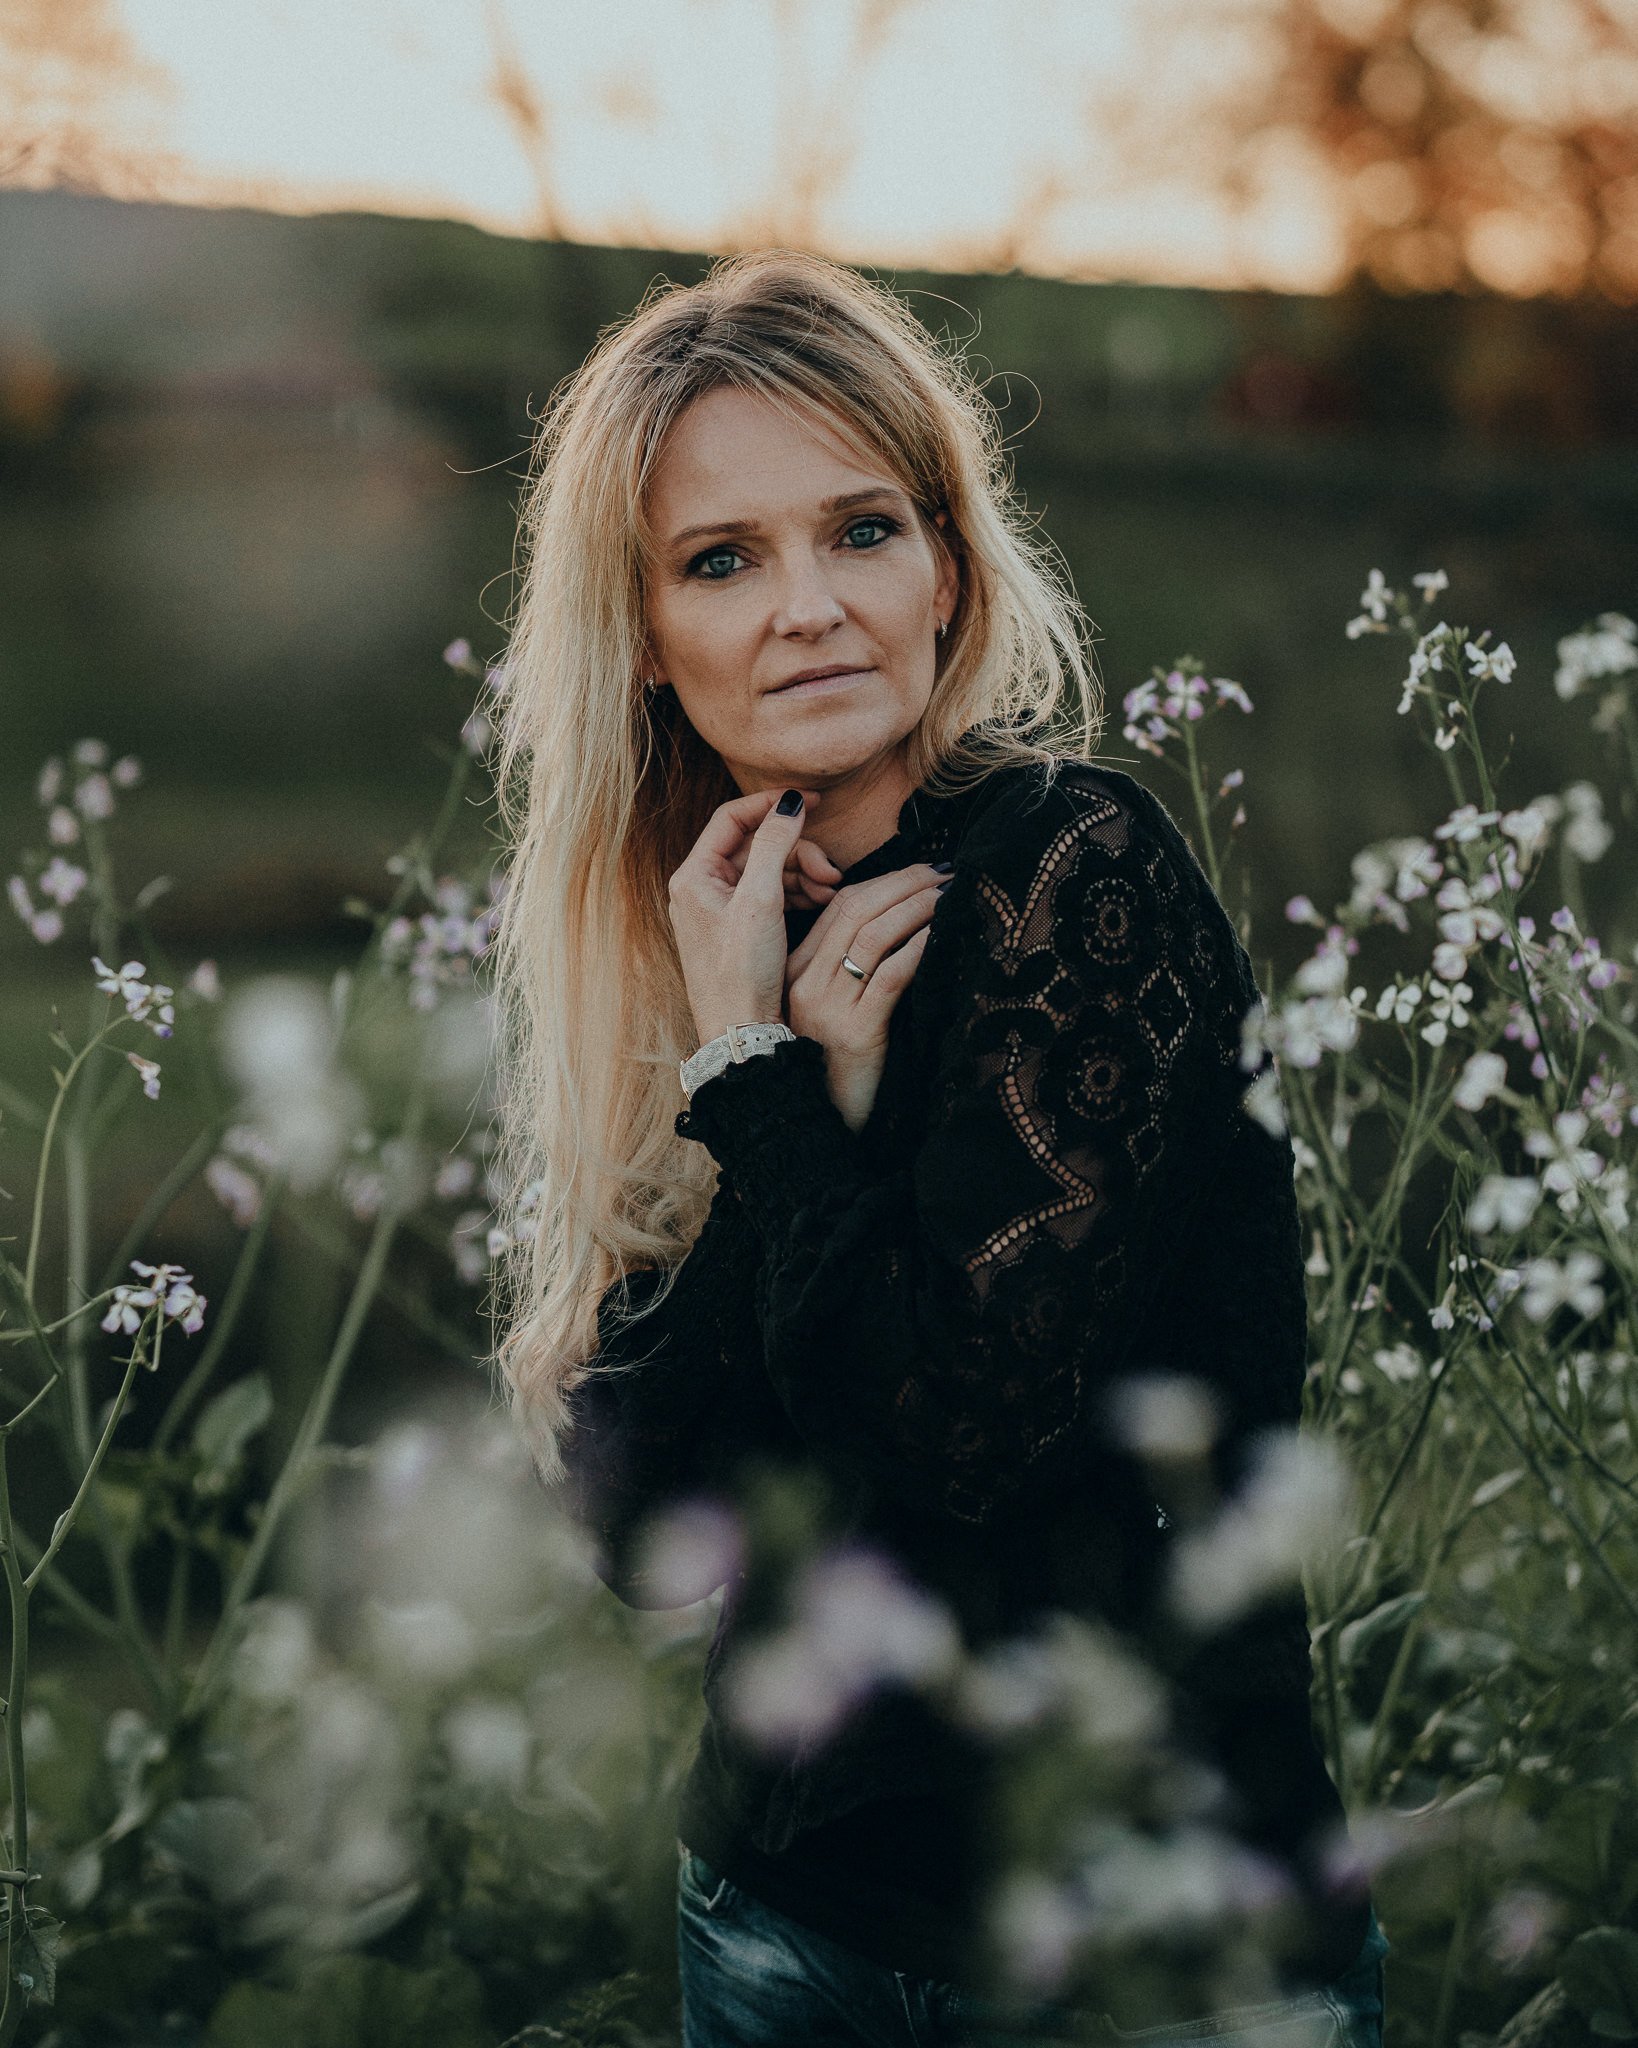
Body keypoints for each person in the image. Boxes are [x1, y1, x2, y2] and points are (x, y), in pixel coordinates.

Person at [487, 249, 1388, 2047]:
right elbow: (643, 1531)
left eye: (861, 530)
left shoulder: (1075, 876)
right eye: (721, 561)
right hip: (775, 1930)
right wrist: (762, 1062)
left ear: (948, 569)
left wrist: (760, 1091)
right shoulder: (706, 932)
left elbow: (963, 1437)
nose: (808, 607)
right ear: (645, 638)